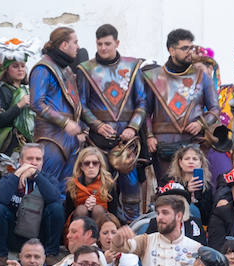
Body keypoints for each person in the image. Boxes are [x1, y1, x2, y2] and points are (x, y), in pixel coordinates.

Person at [76, 24, 147, 220]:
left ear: (117, 42)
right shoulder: (85, 69)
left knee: (132, 189)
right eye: (99, 44)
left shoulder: (133, 67)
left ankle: (133, 233)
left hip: (127, 142)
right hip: (97, 141)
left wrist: (133, 127)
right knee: (99, 190)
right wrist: (97, 125)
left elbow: (142, 102)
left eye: (107, 44)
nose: (103, 48)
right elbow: (81, 105)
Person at [143, 29, 220, 184]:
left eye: (191, 48)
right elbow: (144, 111)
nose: (189, 52)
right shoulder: (153, 77)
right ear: (172, 50)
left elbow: (215, 109)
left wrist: (200, 123)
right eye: (184, 48)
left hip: (194, 144)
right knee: (167, 191)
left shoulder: (202, 76)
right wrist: (149, 136)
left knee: (197, 191)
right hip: (163, 144)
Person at [29, 27, 85, 202]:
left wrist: (81, 129)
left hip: (70, 139)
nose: (78, 46)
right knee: (46, 189)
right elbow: (37, 103)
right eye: (75, 42)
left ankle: (62, 230)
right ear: (64, 44)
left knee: (64, 191)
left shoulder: (66, 69)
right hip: (51, 137)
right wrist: (64, 123)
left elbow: (75, 103)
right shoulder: (42, 68)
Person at [0, 142, 66, 257]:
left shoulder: (49, 179)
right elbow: (0, 199)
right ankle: (1, 256)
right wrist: (17, 174)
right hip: (14, 236)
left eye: (38, 159)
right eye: (29, 158)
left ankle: (51, 255)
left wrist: (36, 175)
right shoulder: (9, 178)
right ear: (20, 161)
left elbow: (54, 198)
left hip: (40, 238)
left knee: (56, 208)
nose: (34, 162)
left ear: (42, 162)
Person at [65, 147, 115, 222]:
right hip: (79, 220)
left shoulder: (108, 183)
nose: (91, 166)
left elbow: (114, 211)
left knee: (98, 209)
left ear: (100, 165)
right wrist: (84, 206)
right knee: (81, 209)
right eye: (86, 163)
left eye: (95, 163)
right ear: (81, 166)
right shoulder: (72, 185)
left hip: (104, 222)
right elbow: (68, 212)